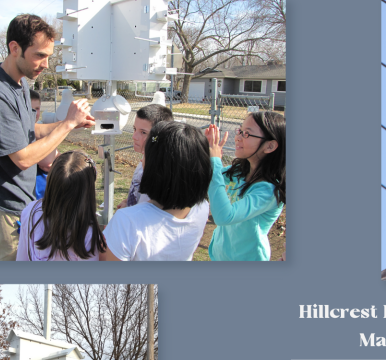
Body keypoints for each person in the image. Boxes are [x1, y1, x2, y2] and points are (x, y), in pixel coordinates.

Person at [0, 14, 95, 261]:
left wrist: (70, 125)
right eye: (40, 55)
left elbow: (31, 131)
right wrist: (67, 124)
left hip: (24, 201)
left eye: (48, 56)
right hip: (6, 205)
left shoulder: (19, 85)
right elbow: (23, 158)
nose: (46, 64)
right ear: (15, 48)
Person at [100, 121, 212, 261]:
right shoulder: (202, 208)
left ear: (157, 168)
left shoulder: (127, 222)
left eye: (146, 155)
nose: (141, 161)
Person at [204, 111, 285, 261]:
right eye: (240, 131)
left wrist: (214, 161)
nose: (238, 137)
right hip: (219, 257)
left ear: (270, 146)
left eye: (246, 134)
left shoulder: (268, 191)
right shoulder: (239, 172)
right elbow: (206, 177)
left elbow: (224, 216)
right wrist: (206, 153)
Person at [16, 151, 106, 261]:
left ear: (50, 180)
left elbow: (22, 257)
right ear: (88, 191)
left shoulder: (30, 211)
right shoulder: (89, 233)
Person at [124, 104, 174, 208]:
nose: (134, 136)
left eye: (143, 132)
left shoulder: (157, 173)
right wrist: (128, 202)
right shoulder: (144, 162)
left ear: (158, 137)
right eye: (134, 129)